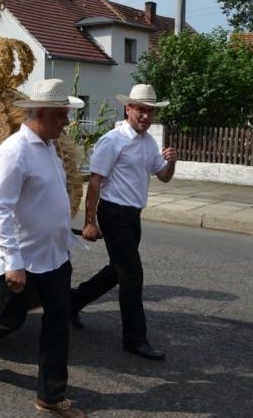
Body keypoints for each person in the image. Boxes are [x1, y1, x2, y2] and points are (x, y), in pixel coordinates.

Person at [0, 79, 86, 418]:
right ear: (40, 113)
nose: (66, 121)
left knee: (58, 324)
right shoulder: (14, 151)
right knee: (10, 319)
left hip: (55, 256)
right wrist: (13, 262)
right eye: (61, 114)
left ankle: (50, 395)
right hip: (23, 259)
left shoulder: (49, 146)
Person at [71, 84, 177, 362]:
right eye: (140, 109)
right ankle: (135, 339)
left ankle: (73, 301)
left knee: (117, 271)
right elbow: (95, 182)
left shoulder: (148, 142)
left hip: (133, 215)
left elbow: (163, 176)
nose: (145, 115)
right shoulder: (112, 140)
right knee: (132, 276)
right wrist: (90, 221)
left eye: (150, 110)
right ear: (128, 109)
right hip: (114, 213)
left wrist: (171, 162)